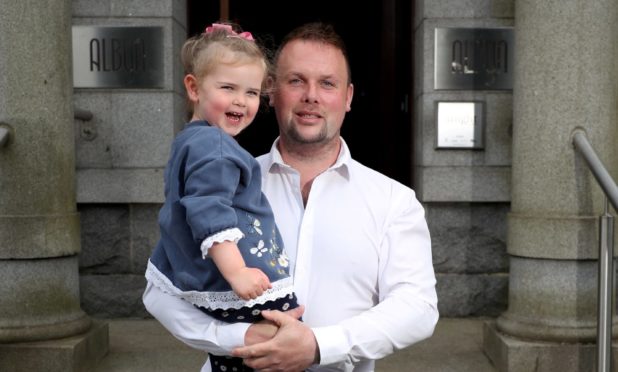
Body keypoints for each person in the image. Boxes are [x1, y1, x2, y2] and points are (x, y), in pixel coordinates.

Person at [144, 22, 439, 372]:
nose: (311, 96)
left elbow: (418, 307)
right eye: (296, 81)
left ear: (347, 98)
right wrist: (238, 337)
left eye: (327, 83)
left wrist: (318, 346)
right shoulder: (219, 181)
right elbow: (159, 291)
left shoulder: (394, 200)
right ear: (271, 92)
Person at [144, 22, 300, 372]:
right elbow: (208, 208)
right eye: (227, 87)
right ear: (194, 88)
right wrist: (238, 271)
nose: (240, 101)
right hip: (233, 283)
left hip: (204, 280)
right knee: (275, 352)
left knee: (239, 360)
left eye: (251, 92)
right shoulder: (214, 146)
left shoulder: (192, 139)